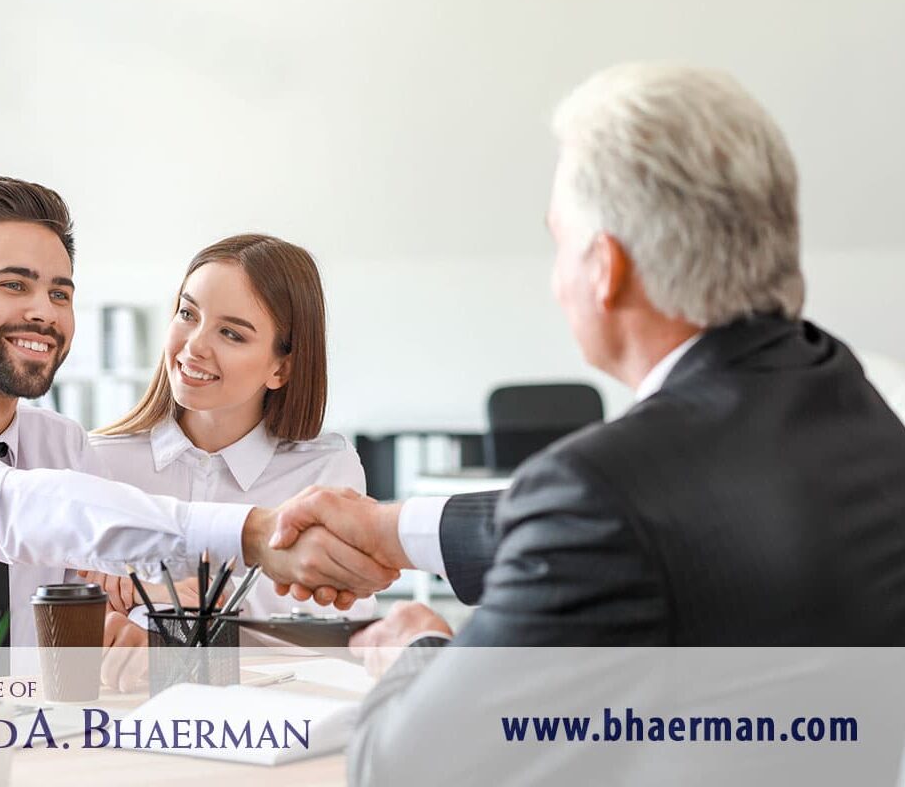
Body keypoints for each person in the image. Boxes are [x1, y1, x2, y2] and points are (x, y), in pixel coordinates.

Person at [264, 64, 905, 781]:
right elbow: (646, 519)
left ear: (606, 268)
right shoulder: (842, 388)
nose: (555, 277)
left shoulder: (606, 490)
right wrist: (391, 528)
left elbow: (403, 768)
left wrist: (414, 651)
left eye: (559, 242)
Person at [0, 174, 397, 648]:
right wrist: (253, 533)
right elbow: (1, 505)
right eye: (14, 284)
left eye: (59, 292)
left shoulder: (60, 445)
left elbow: (123, 566)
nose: (44, 312)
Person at [85, 233, 377, 622]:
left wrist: (157, 601)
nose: (194, 347)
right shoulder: (100, 459)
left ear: (281, 368)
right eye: (188, 315)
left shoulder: (324, 473)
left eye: (231, 333)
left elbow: (336, 622)